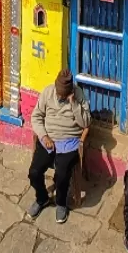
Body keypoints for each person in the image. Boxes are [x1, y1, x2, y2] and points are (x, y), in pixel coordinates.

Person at [28, 68, 91, 225]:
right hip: (48, 139)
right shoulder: (48, 92)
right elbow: (36, 117)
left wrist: (74, 104)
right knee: (34, 172)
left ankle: (61, 203)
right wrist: (43, 135)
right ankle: (42, 198)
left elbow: (86, 123)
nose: (60, 97)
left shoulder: (79, 95)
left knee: (62, 174)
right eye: (59, 94)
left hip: (69, 142)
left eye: (64, 95)